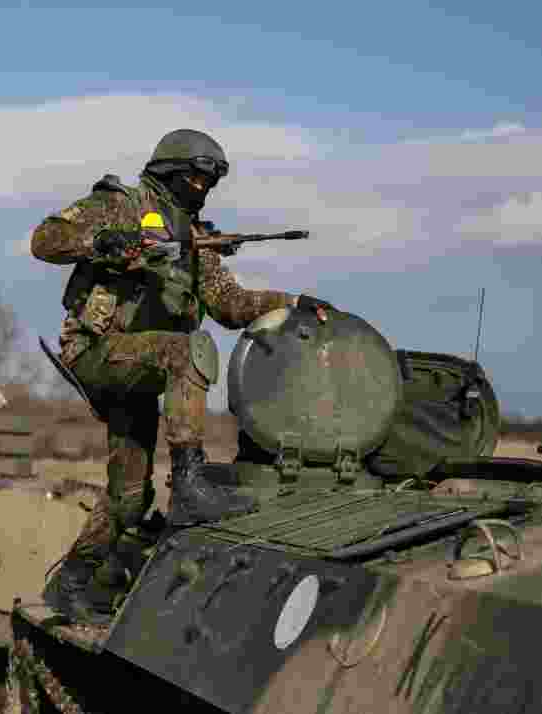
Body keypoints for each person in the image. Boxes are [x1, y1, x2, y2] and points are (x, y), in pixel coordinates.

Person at [30, 128, 334, 624]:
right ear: (171, 170)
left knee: (130, 497)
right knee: (188, 346)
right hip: (98, 353)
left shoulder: (195, 242)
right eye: (196, 176)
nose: (203, 187)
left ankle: (71, 583)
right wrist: (104, 240)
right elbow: (45, 239)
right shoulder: (120, 205)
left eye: (209, 180)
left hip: (146, 368)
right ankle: (190, 478)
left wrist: (293, 303)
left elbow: (233, 306)